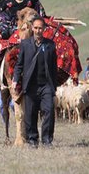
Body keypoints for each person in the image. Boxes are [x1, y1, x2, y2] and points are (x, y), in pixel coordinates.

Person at [12, 16, 58, 148]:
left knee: (49, 111)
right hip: (30, 85)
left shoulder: (50, 45)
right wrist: (15, 79)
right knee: (30, 114)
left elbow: (54, 67)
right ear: (32, 28)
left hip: (46, 86)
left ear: (44, 29)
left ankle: (47, 140)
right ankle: (32, 140)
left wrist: (54, 87)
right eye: (36, 28)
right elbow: (19, 65)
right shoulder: (25, 44)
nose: (38, 30)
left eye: (40, 28)